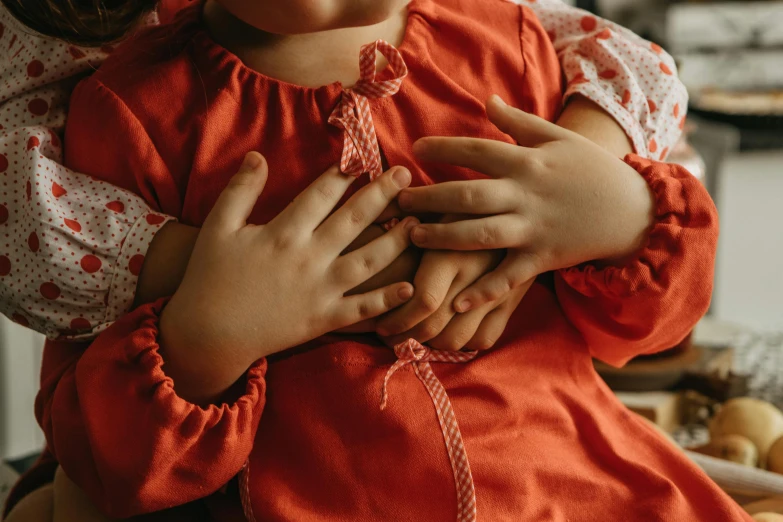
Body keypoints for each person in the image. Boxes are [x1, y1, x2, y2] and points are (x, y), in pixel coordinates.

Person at [3, 1, 742, 521]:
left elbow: (653, 325)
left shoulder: (517, 51)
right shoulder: (131, 115)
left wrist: (622, 216)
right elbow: (108, 472)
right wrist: (205, 341)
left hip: (579, 484)